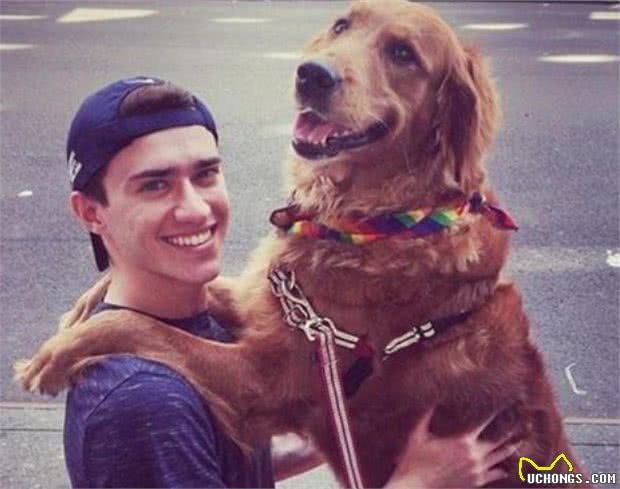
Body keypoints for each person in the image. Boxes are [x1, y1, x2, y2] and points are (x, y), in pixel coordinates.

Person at [61, 76, 518, 488]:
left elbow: (216, 463)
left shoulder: (198, 327)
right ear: (90, 213)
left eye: (205, 174)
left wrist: (334, 435)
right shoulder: (145, 404)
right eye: (154, 185)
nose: (196, 209)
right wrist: (418, 482)